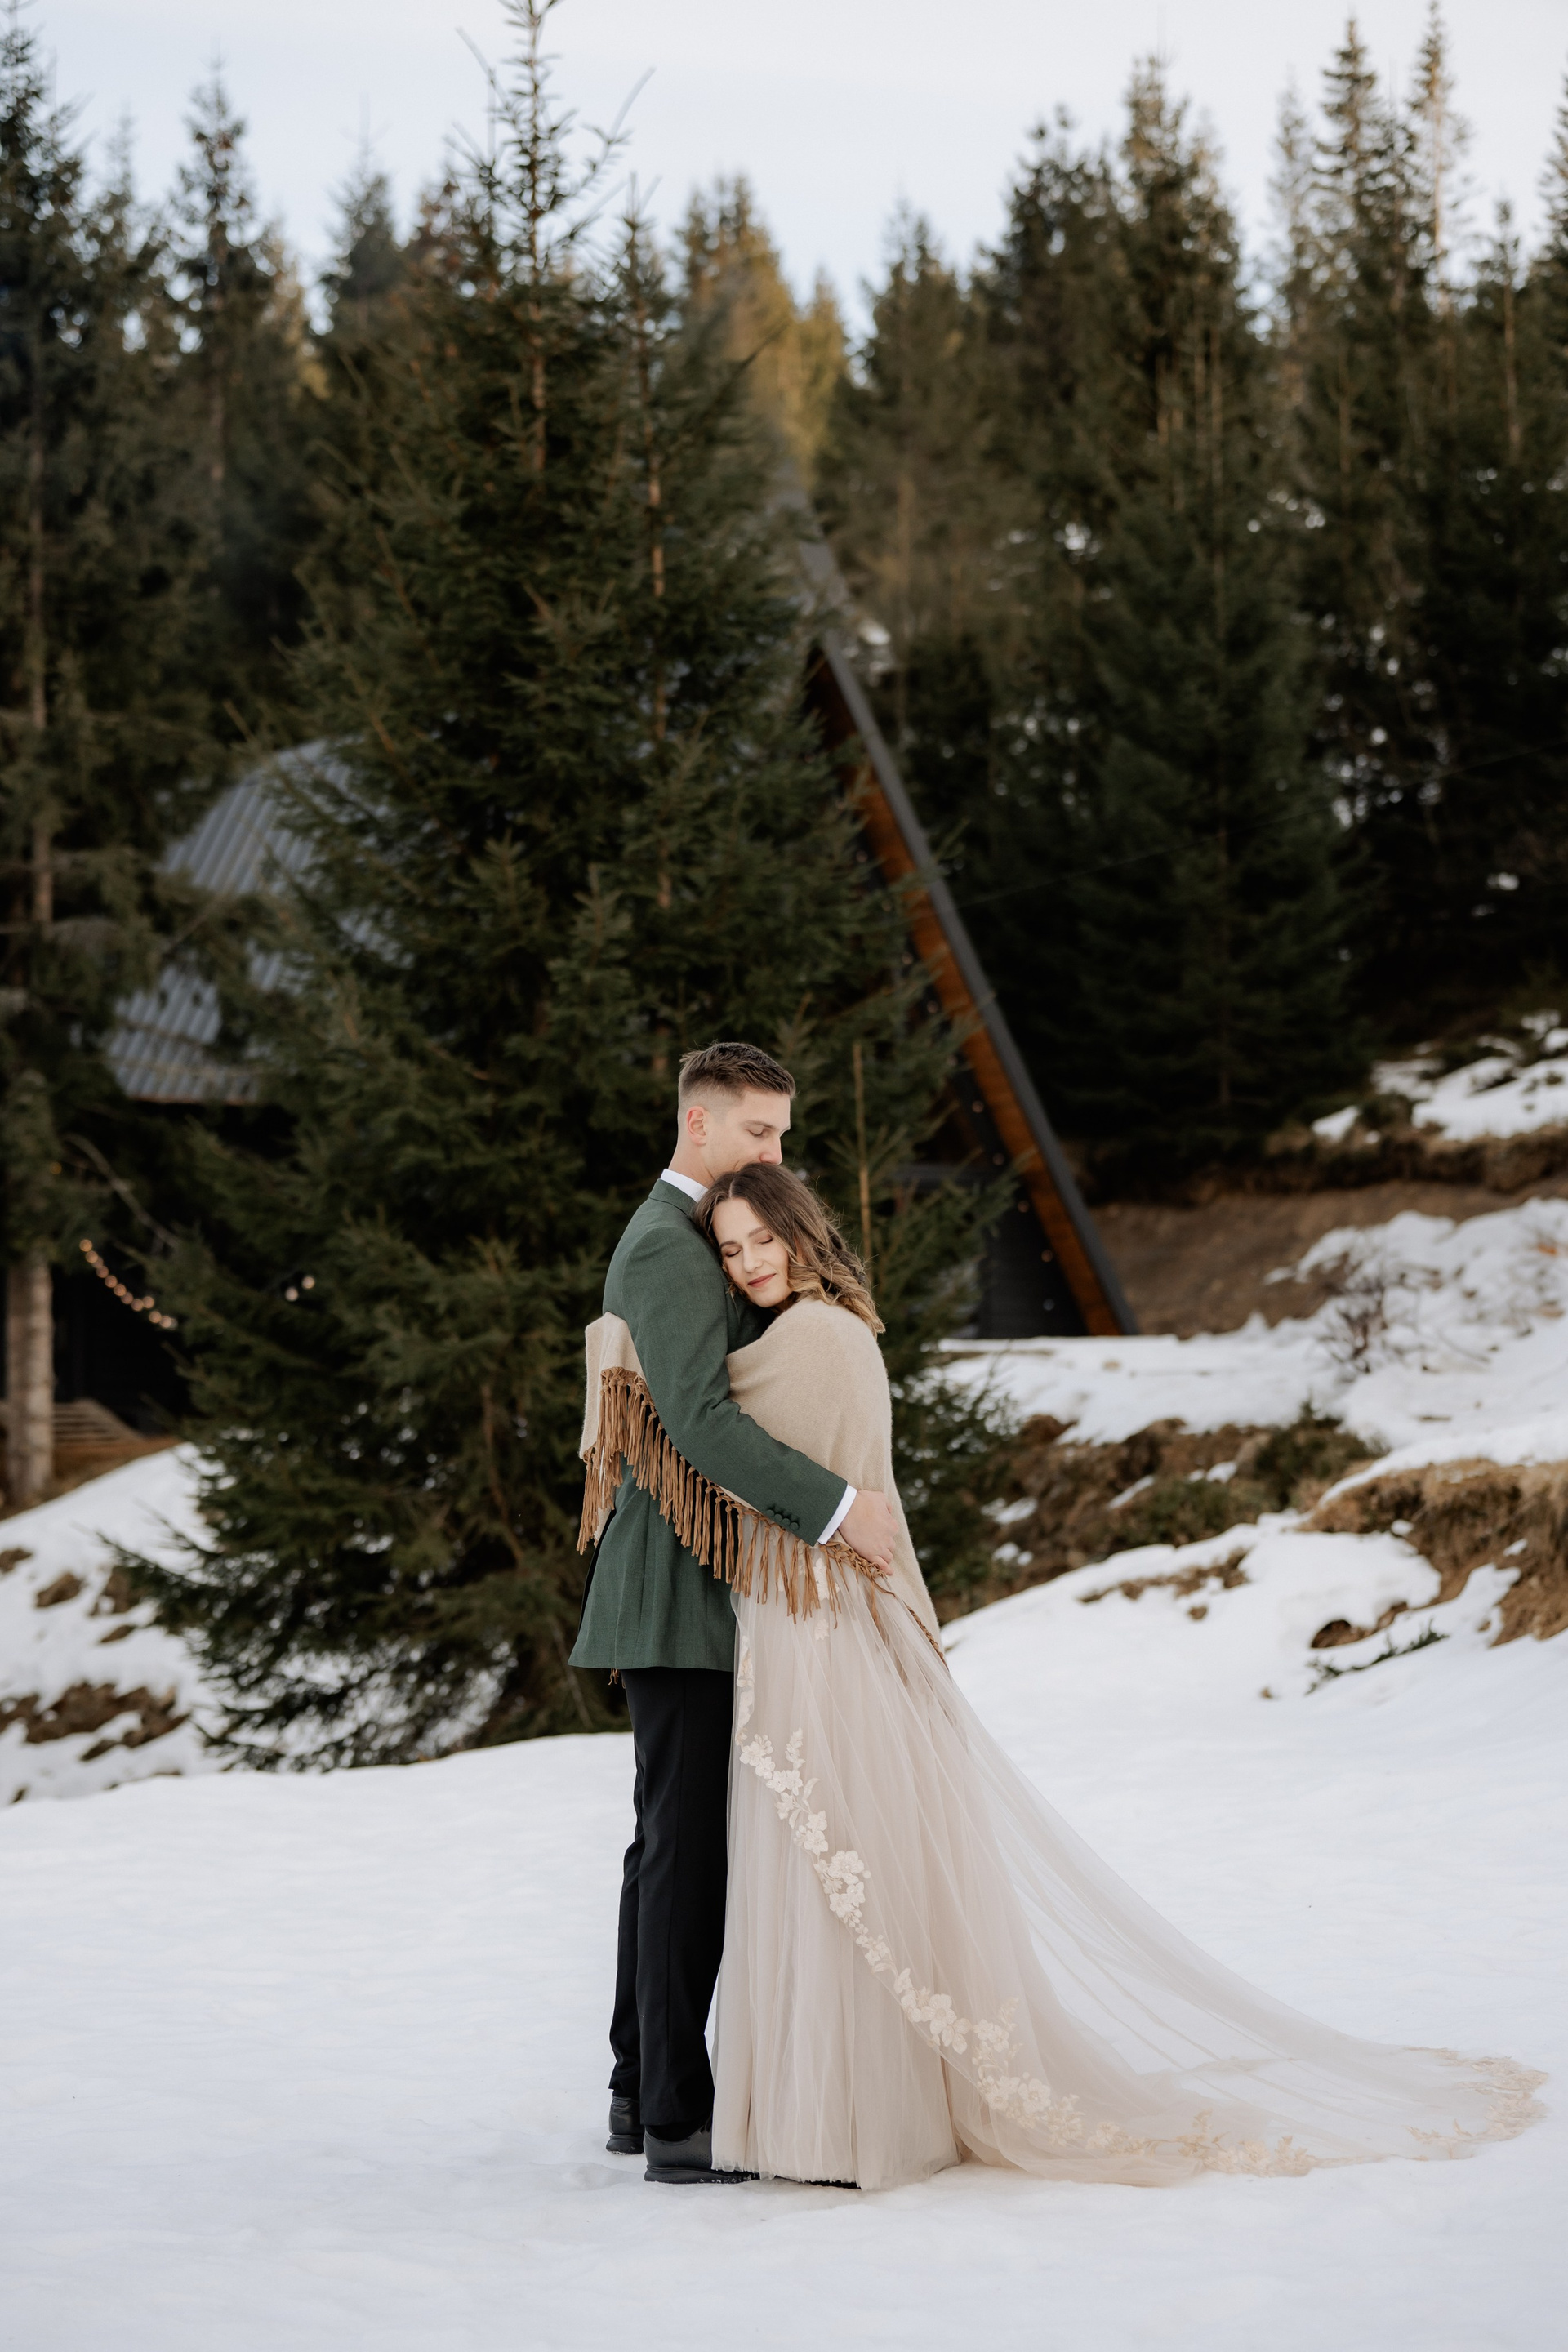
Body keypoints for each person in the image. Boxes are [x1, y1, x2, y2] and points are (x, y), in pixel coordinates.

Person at [585, 1160, 1544, 2191]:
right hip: (798, 1620)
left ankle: (842, 2113)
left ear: (800, 1234)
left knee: (832, 1860)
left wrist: (624, 1358)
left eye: (762, 1240)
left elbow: (709, 1427)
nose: (747, 1263)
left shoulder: (816, 1339)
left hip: (820, 1627)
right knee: (822, 1863)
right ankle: (829, 2104)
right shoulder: (810, 1331)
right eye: (731, 1251)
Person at [569, 1043, 899, 2185]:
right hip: (677, 1586)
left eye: (783, 1135)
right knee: (686, 1853)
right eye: (760, 1133)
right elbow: (702, 1421)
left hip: (702, 1580)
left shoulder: (687, 1231)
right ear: (700, 1125)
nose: (777, 1155)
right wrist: (842, 1508)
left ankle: (637, 2090)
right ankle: (674, 2116)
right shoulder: (668, 1244)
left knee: (666, 1845)